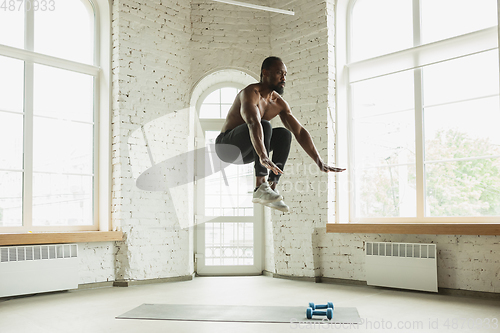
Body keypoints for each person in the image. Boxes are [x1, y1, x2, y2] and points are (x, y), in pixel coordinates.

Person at [215, 56, 345, 212]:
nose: (284, 78)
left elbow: (300, 132)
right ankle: (260, 185)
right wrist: (263, 155)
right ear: (265, 73)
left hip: (249, 152)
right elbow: (253, 123)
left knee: (285, 134)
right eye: (279, 73)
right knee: (264, 125)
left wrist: (319, 161)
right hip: (226, 147)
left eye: (285, 74)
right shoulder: (250, 93)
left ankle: (271, 186)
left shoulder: (279, 103)